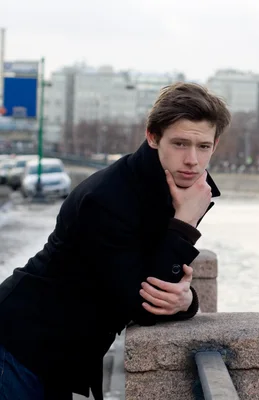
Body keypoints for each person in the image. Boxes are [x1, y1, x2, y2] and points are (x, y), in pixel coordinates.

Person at [0, 82, 231, 399]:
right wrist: (186, 223)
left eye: (203, 147)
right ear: (152, 136)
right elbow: (145, 303)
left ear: (214, 145)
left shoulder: (185, 190)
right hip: (17, 345)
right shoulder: (108, 198)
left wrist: (187, 301)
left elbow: (162, 279)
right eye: (180, 144)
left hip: (54, 356)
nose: (192, 159)